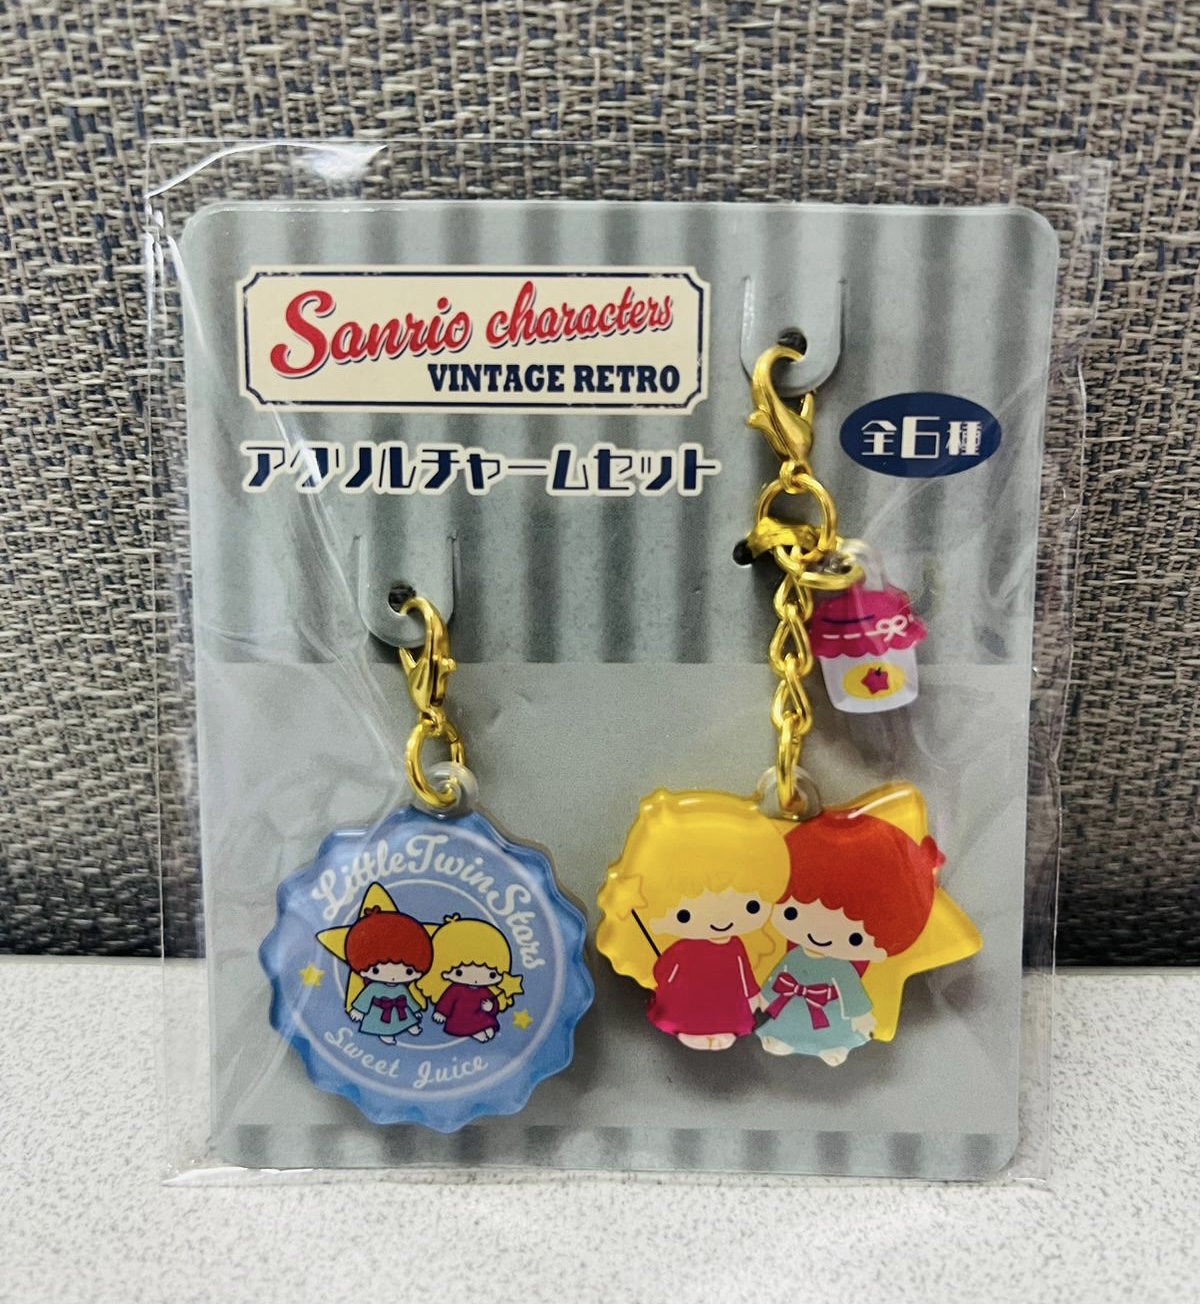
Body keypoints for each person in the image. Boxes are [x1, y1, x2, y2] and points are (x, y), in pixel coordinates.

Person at [598, 789, 790, 1051]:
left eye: (751, 906)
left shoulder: (735, 947)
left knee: (722, 1010)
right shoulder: (684, 949)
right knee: (689, 1009)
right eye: (684, 915)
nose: (720, 921)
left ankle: (722, 1029)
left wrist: (755, 996)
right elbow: (663, 971)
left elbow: (744, 976)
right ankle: (692, 1030)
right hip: (690, 997)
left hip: (725, 999)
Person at [756, 802, 942, 1064]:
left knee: (832, 1032)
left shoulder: (841, 969)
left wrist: (862, 1019)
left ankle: (832, 1046)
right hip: (788, 1010)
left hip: (830, 1014)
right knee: (782, 1026)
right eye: (793, 913)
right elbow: (775, 979)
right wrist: (762, 999)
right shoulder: (794, 956)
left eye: (855, 938)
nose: (820, 936)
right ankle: (782, 1038)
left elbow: (852, 995)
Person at [417, 915, 524, 1042]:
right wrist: (441, 1013)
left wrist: (491, 1007)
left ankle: (485, 1028)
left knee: (486, 1020)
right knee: (466, 1024)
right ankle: (475, 1032)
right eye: (459, 972)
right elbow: (447, 1001)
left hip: (479, 1015)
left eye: (491, 974)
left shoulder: (485, 991)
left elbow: (493, 1001)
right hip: (461, 1018)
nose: (475, 979)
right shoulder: (456, 989)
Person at [343, 906, 433, 1044]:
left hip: (400, 1012)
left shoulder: (401, 988)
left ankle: (412, 1027)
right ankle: (385, 1035)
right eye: (376, 970)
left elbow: (409, 1000)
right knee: (383, 1026)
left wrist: (415, 1010)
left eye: (408, 971)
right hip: (379, 1014)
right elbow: (365, 998)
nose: (393, 977)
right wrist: (358, 1011)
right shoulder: (374, 988)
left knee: (408, 1019)